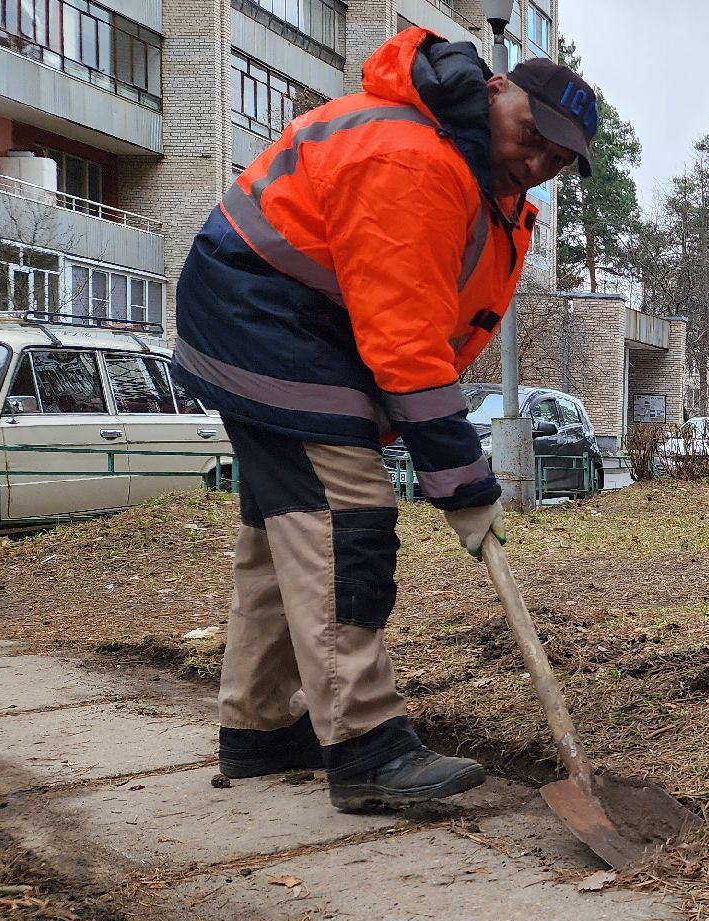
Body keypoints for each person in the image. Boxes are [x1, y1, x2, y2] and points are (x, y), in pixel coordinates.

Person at [171, 28, 598, 811]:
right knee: (346, 517)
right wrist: (464, 485)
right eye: (531, 135)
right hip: (264, 321)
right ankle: (366, 743)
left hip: (288, 328)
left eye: (558, 159)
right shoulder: (416, 159)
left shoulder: (476, 176)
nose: (538, 162)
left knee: (285, 531)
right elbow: (407, 345)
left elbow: (424, 321)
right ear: (496, 91)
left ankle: (261, 726)